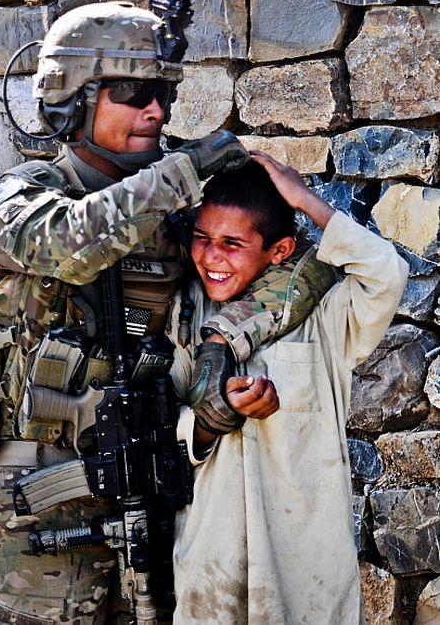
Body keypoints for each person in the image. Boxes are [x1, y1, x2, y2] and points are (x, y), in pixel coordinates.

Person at [0, 0, 334, 624]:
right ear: (72, 96)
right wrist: (188, 171)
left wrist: (221, 341)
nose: (156, 110)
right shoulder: (10, 202)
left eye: (162, 92)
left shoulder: (179, 213)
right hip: (30, 541)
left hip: (155, 517)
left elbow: (304, 265)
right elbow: (75, 244)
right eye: (133, 92)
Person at [168, 153, 408, 625]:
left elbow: (387, 273)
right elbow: (172, 432)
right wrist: (213, 420)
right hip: (210, 567)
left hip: (304, 570)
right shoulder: (186, 316)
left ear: (279, 250)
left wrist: (306, 200)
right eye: (202, 238)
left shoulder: (328, 319)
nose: (212, 257)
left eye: (233, 243)